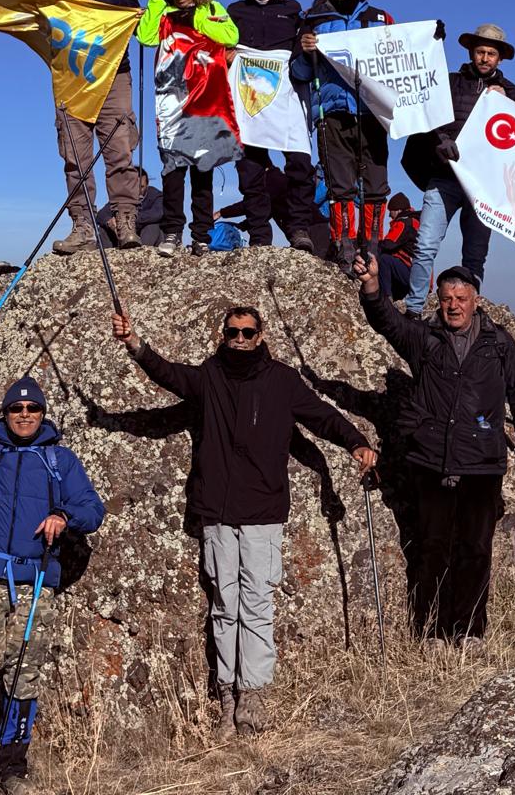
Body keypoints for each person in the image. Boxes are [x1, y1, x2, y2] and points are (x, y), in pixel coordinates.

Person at [111, 304, 377, 737]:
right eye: (232, 332)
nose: (239, 340)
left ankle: (252, 694)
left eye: (247, 333)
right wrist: (134, 344)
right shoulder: (209, 376)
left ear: (260, 334)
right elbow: (167, 373)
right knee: (223, 605)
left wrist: (356, 443)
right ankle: (227, 693)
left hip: (262, 513)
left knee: (256, 606)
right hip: (217, 510)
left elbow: (322, 416)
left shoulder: (282, 381)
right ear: (224, 334)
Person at [0, 337, 106, 793]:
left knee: (23, 679)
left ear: (43, 415)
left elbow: (93, 509)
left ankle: (11, 771)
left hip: (35, 587)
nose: (25, 414)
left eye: (33, 408)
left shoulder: (59, 460)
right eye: (17, 408)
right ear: (5, 413)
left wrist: (64, 516)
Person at [350, 255, 515, 645]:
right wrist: (372, 286)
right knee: (432, 547)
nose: (453, 305)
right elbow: (386, 323)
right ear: (438, 301)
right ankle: (431, 631)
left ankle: (469, 630)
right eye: (445, 298)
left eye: (460, 297)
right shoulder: (424, 338)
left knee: (475, 548)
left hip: (482, 463)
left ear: (475, 300)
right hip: (431, 459)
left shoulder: (499, 343)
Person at [401, 24, 515, 315]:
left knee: (475, 256)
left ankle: (467, 314)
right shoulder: (449, 82)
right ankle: (413, 308)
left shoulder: (512, 94)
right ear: (471, 53)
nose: (484, 58)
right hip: (444, 177)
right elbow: (427, 117)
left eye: (491, 53)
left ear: (499, 58)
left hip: (484, 185)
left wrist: (506, 104)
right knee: (425, 245)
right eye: (480, 52)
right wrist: (440, 141)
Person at [35, 0, 143, 255]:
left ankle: (124, 219)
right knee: (75, 155)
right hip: (71, 78)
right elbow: (34, 20)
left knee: (120, 149)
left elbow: (135, 24)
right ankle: (82, 226)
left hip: (114, 76)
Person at [290, 0, 394, 275]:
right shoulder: (313, 20)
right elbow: (299, 73)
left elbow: (404, 58)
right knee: (339, 188)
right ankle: (344, 249)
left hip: (372, 112)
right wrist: (306, 54)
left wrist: (430, 41)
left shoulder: (380, 18)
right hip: (332, 112)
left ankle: (372, 249)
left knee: (376, 187)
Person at [135, 0, 239, 257]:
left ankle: (202, 235)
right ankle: (172, 232)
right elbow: (145, 37)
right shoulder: (164, 11)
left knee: (202, 171)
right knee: (172, 170)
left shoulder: (213, 8)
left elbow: (231, 36)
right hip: (171, 99)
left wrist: (197, 20)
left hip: (205, 96)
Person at [227, 0, 318, 250]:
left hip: (286, 91)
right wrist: (225, 53)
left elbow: (307, 48)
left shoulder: (294, 10)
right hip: (247, 92)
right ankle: (259, 234)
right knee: (249, 167)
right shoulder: (234, 10)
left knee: (300, 163)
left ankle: (299, 227)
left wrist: (307, 45)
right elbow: (220, 42)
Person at [377, 191, 421, 301]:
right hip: (420, 274)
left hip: (412, 272)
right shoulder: (416, 222)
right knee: (392, 264)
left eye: (390, 211)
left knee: (384, 260)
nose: (389, 215)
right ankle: (396, 300)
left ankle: (387, 298)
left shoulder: (403, 223)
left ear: (397, 210)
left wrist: (372, 247)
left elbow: (388, 244)